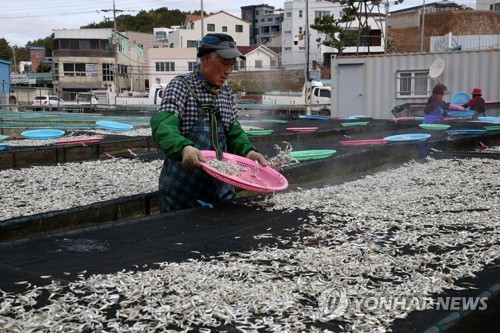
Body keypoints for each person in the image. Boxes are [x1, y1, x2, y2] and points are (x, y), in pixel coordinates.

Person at [150, 33, 267, 212]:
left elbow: (233, 131)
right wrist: (184, 148)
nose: (228, 71)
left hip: (221, 187)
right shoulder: (181, 86)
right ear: (205, 60)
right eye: (224, 63)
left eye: (232, 65)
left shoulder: (226, 91)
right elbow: (163, 125)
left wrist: (248, 152)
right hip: (183, 190)